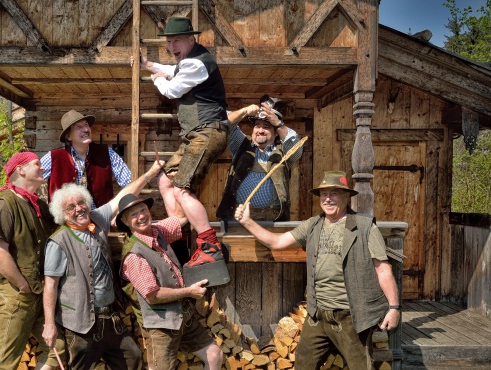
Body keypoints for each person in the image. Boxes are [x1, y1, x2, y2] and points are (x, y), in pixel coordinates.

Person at [234, 171, 400, 370]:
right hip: (317, 315)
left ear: (346, 196)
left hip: (350, 316)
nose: (328, 199)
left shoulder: (365, 227)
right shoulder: (312, 225)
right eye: (324, 194)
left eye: (334, 193)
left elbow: (383, 270)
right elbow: (277, 242)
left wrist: (393, 308)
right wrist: (247, 222)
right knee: (303, 366)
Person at [41, 160, 165, 369]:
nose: (79, 209)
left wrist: (151, 172)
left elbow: (122, 196)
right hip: (80, 324)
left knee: (132, 358)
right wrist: (49, 324)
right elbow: (50, 286)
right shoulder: (58, 242)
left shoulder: (97, 219)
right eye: (71, 207)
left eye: (81, 203)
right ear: (63, 214)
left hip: (111, 317)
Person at [137, 16, 229, 278]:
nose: (171, 46)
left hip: (207, 132)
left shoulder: (198, 63)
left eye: (176, 40)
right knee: (166, 182)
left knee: (182, 190)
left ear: (192, 39)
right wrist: (151, 65)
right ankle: (176, 233)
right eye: (168, 41)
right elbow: (173, 69)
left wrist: (154, 76)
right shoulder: (190, 61)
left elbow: (172, 89)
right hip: (196, 135)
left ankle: (209, 244)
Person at [117, 194, 224, 370]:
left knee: (214, 355)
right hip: (160, 326)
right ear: (126, 221)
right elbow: (153, 295)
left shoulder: (158, 231)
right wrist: (188, 292)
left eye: (143, 210)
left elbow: (181, 217)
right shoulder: (134, 255)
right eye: (134, 214)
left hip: (183, 316)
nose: (141, 216)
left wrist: (180, 186)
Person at [0, 151, 66, 370]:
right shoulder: (4, 204)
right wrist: (22, 284)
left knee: (58, 350)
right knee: (7, 362)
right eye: (37, 164)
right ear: (20, 170)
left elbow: (62, 226)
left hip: (38, 294)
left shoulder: (37, 205)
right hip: (16, 295)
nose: (42, 168)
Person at [216, 95, 303, 222]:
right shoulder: (240, 144)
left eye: (266, 127)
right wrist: (244, 111)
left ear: (275, 131)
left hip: (273, 218)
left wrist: (278, 124)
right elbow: (223, 122)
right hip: (237, 216)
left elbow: (296, 149)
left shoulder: (284, 151)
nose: (260, 130)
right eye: (257, 125)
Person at [41, 109, 132, 208]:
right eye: (79, 127)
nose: (85, 129)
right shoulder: (53, 157)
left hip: (100, 220)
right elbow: (30, 180)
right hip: (65, 221)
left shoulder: (107, 153)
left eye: (86, 125)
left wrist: (119, 209)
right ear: (68, 136)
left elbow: (129, 182)